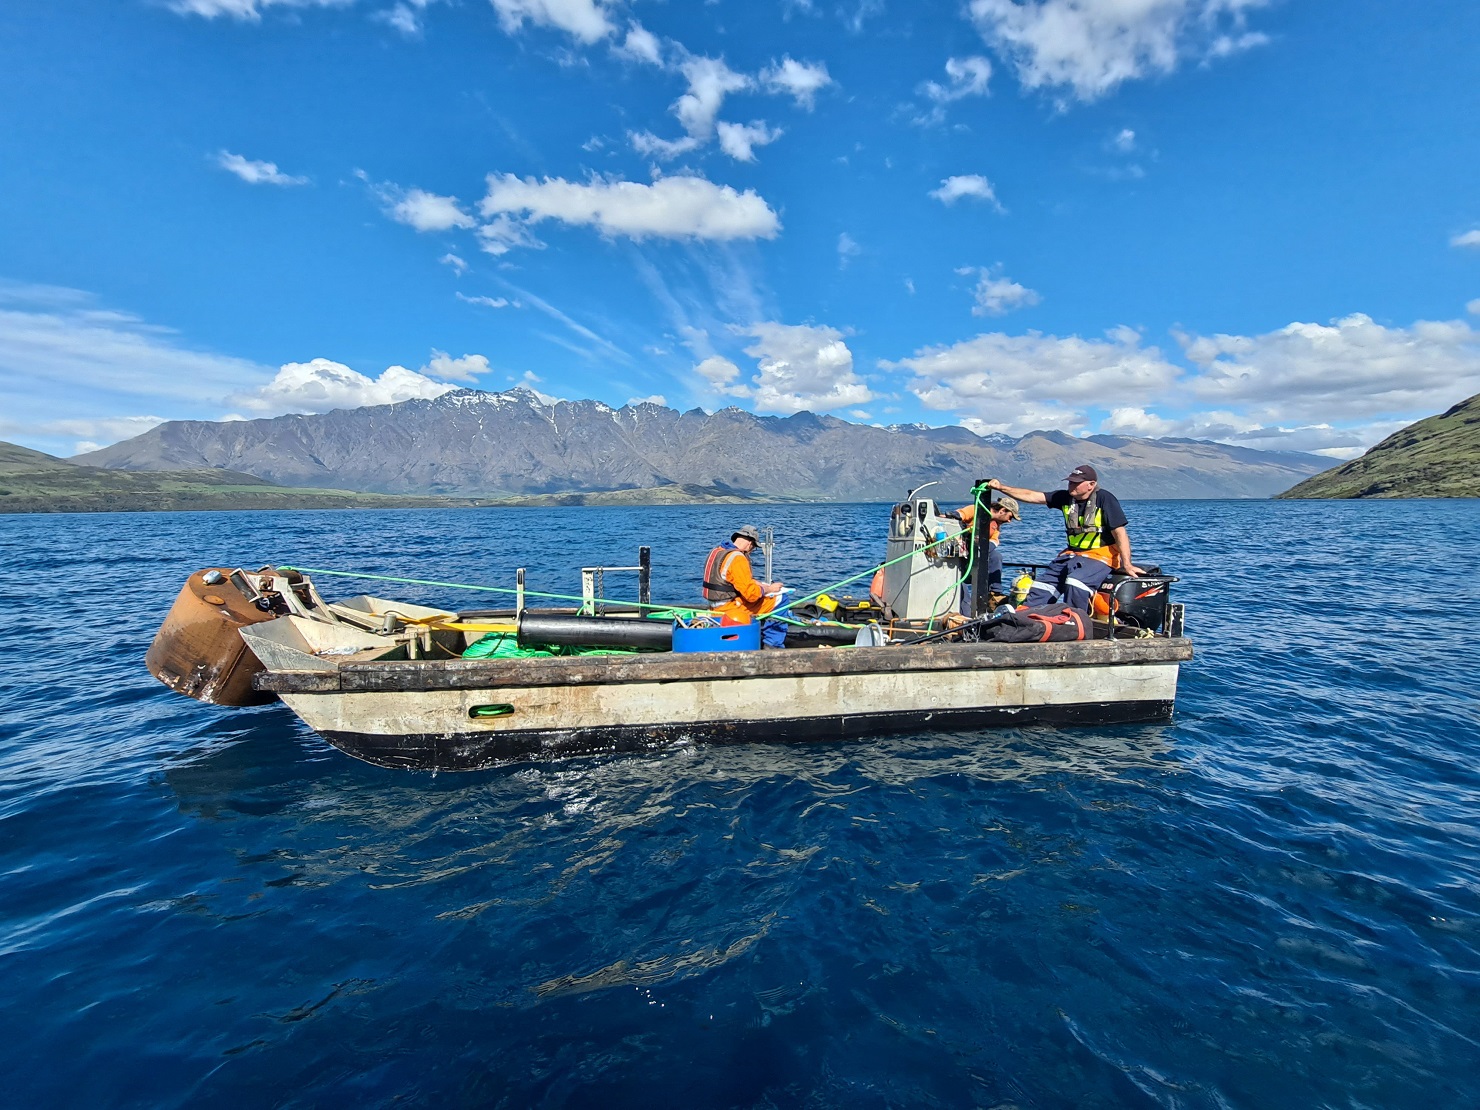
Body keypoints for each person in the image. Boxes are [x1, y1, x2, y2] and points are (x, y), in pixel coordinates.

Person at [989, 465, 1145, 613]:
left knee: (1075, 583)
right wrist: (1001, 487)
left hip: (1101, 556)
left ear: (1091, 485)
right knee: (1042, 586)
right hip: (1072, 555)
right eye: (1070, 481)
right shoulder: (1065, 497)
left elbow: (1120, 533)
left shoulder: (1104, 498)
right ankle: (1024, 619)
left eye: (1076, 483)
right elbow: (1032, 496)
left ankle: (1075, 621)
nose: (1071, 485)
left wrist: (1127, 564)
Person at [702, 524, 788, 647]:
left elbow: (729, 580)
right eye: (753, 548)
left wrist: (757, 583)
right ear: (749, 544)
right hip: (729, 608)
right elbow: (751, 595)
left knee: (763, 590)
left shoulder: (716, 552)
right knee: (781, 598)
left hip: (713, 606)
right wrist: (769, 588)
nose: (751, 551)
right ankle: (772, 644)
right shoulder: (738, 558)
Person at [953, 495, 1020, 609]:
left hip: (975, 556)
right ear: (1002, 511)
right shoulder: (977, 510)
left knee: (996, 556)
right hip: (959, 557)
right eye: (1010, 516)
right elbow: (961, 514)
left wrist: (984, 547)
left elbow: (994, 540)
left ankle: (994, 594)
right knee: (961, 591)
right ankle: (965, 612)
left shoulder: (995, 526)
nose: (1009, 521)